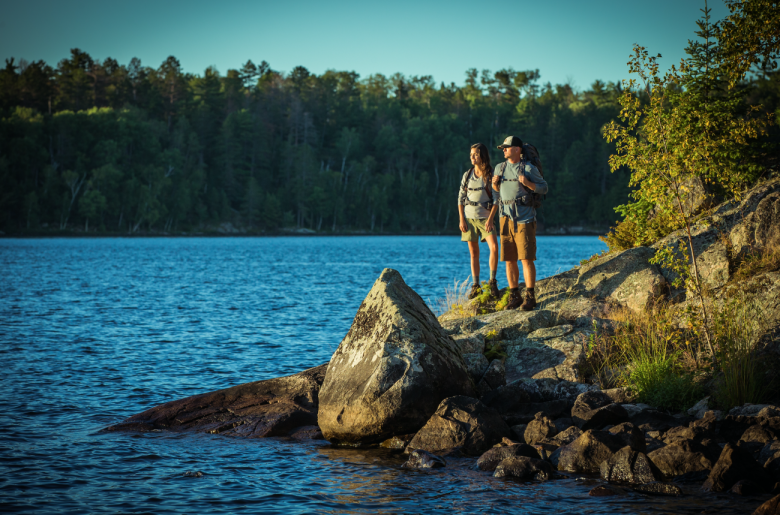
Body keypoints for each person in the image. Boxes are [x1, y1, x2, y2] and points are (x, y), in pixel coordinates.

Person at [492, 136, 548, 310]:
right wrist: (494, 185)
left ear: (517, 149)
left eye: (507, 147)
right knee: (509, 260)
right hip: (505, 218)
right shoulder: (499, 168)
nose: (504, 150)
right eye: (503, 148)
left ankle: (530, 297)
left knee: (526, 258)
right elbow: (498, 192)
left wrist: (529, 183)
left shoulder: (528, 168)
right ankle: (514, 295)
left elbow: (544, 188)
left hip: (525, 219)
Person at [458, 143, 500, 300]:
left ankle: (492, 282)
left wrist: (490, 219)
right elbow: (460, 198)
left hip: (485, 218)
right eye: (471, 154)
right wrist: (461, 218)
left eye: (475, 154)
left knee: (494, 248)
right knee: (474, 253)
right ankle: (476, 286)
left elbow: (497, 200)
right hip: (469, 218)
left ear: (482, 155)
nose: (472, 157)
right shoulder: (467, 175)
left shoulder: (491, 174)